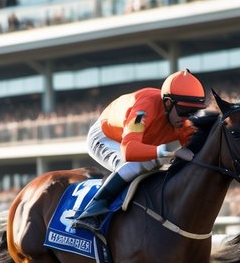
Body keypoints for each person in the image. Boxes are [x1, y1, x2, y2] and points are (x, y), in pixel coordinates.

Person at [69, 69, 207, 230]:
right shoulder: (142, 110)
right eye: (184, 111)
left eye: (193, 112)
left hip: (137, 141)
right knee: (136, 165)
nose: (187, 119)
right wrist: (169, 153)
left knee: (153, 167)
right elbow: (129, 151)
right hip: (106, 138)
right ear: (168, 103)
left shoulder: (185, 122)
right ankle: (90, 213)